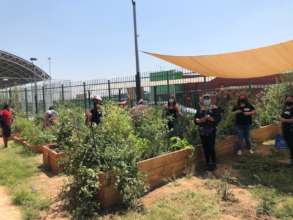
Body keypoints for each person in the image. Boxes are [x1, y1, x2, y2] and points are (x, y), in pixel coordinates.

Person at [194, 94, 221, 171]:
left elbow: (217, 119)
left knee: (211, 147)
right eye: (205, 99)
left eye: (207, 99)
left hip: (211, 131)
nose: (206, 101)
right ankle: (207, 163)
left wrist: (209, 118)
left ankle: (213, 163)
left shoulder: (214, 109)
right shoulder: (200, 110)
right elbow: (196, 120)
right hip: (202, 131)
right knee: (205, 147)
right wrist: (203, 119)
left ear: (210, 100)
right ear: (203, 100)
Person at [280, 95, 293, 166]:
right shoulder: (285, 108)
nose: (288, 101)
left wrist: (285, 120)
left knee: (291, 144)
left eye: (290, 99)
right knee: (289, 144)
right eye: (287, 99)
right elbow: (282, 117)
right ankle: (291, 158)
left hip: (291, 129)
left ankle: (291, 160)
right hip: (285, 129)